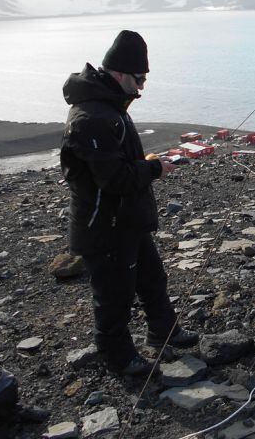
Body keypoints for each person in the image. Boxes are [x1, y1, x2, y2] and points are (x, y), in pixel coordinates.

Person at [60, 30, 198, 375]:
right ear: (119, 74)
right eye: (138, 78)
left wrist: (145, 164)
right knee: (113, 296)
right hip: (103, 228)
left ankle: (163, 332)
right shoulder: (91, 118)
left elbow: (118, 165)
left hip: (126, 221)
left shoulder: (109, 107)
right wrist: (154, 167)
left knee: (151, 278)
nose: (141, 86)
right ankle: (117, 356)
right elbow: (115, 179)